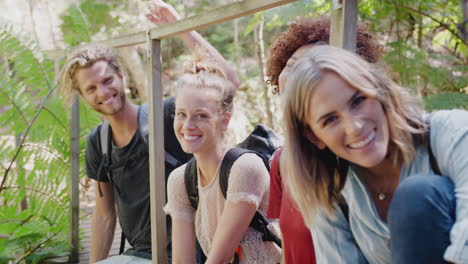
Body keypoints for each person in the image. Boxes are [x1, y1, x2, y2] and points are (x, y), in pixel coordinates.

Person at [57, 1, 239, 262]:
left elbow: (229, 82)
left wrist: (179, 27)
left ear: (121, 76)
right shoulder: (99, 142)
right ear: (83, 96)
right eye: (91, 88)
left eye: (107, 80)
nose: (103, 92)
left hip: (196, 251)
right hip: (141, 255)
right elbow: (104, 214)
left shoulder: (167, 115)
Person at [280, 44, 468, 263]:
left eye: (358, 101)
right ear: (314, 137)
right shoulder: (330, 193)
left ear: (380, 92)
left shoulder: (451, 133)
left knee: (416, 195)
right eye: (330, 120)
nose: (355, 127)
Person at [264, 16, 381, 264]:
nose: (297, 76)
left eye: (311, 68)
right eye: (292, 64)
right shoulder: (281, 161)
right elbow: (288, 247)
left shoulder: (360, 156)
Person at [163, 56, 281, 264]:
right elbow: (182, 260)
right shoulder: (180, 180)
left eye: (201, 115)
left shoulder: (244, 168)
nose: (187, 125)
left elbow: (220, 257)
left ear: (224, 120)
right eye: (181, 114)